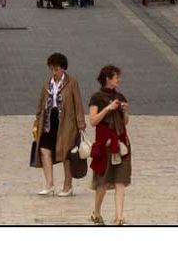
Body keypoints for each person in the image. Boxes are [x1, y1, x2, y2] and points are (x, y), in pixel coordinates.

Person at [33, 50, 84, 199]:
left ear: (63, 68)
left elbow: (78, 104)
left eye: (56, 69)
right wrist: (37, 121)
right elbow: (41, 104)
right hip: (49, 121)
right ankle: (49, 184)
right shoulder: (47, 85)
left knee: (66, 154)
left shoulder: (72, 83)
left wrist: (80, 124)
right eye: (51, 69)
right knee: (44, 150)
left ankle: (67, 186)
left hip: (67, 123)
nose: (53, 72)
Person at [87, 65, 131, 227]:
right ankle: (96, 212)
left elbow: (125, 122)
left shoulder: (120, 96)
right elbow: (93, 121)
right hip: (105, 145)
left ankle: (119, 218)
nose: (119, 79)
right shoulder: (96, 97)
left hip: (121, 143)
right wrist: (107, 108)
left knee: (120, 180)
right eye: (116, 77)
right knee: (103, 183)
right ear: (108, 78)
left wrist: (125, 111)